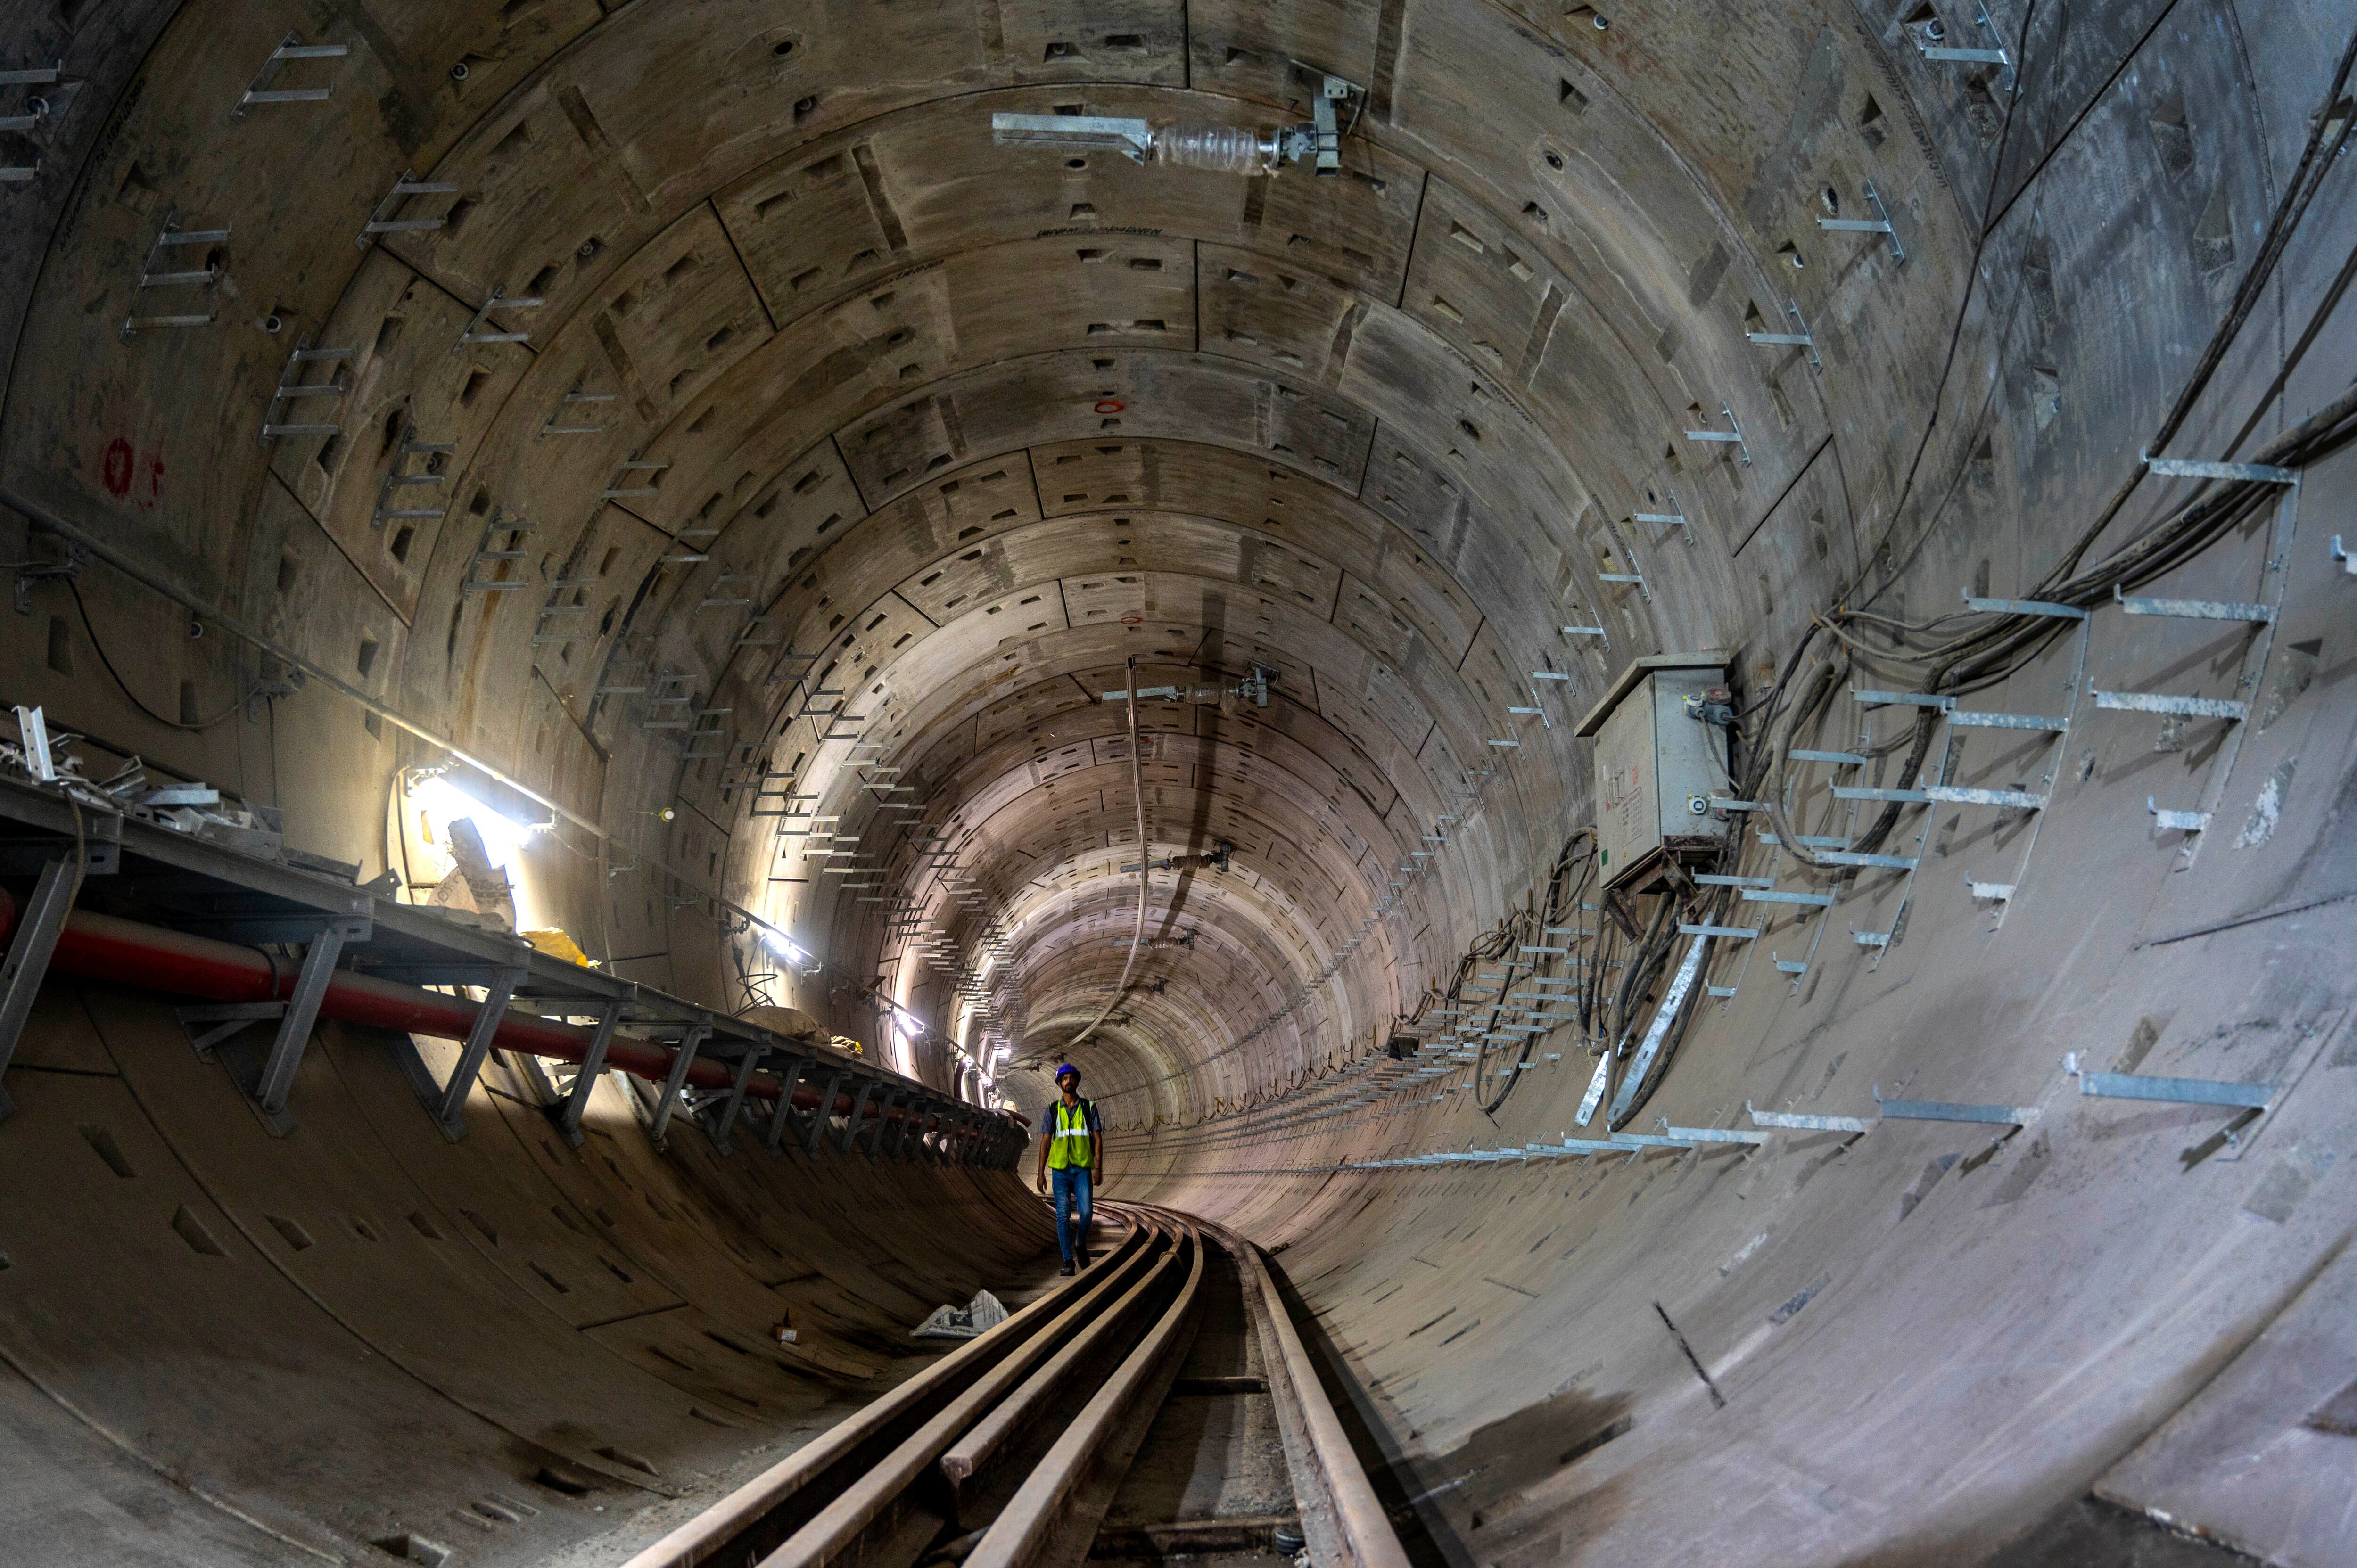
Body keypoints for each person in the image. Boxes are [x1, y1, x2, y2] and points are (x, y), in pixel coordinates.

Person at [1034, 1062, 1102, 1275]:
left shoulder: (1089, 1108)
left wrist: (1098, 1168)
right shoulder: (1052, 1110)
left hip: (1082, 1168)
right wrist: (1040, 1173)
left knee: (1086, 1212)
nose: (1068, 1082)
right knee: (1062, 1215)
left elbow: (1097, 1140)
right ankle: (1067, 1261)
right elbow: (1045, 1142)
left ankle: (1080, 1243)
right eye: (1064, 1079)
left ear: (1077, 1081)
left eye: (1072, 1078)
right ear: (1059, 1083)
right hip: (1060, 1170)